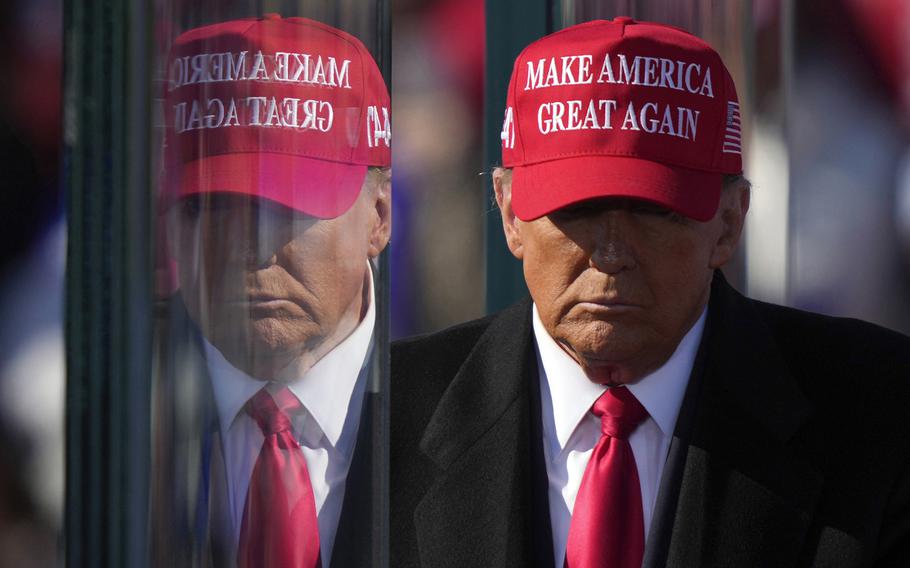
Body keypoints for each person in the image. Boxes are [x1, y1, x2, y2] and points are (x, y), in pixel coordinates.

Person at [391, 17, 910, 568]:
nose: (612, 252)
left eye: (654, 212)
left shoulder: (883, 419)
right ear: (510, 213)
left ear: (730, 223)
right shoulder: (382, 419)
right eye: (577, 210)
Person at [153, 14, 391, 568]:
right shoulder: (94, 422)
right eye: (209, 208)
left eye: (285, 210)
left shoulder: (482, 412)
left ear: (378, 216)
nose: (248, 249)